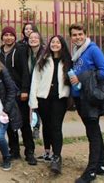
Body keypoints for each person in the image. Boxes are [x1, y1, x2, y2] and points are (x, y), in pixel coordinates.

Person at [69, 23, 104, 183]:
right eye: (74, 35)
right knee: (94, 132)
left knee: (92, 134)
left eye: (80, 34)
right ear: (71, 37)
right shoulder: (76, 52)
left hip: (90, 100)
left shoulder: (92, 49)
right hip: (80, 98)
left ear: (85, 34)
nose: (77, 37)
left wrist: (83, 78)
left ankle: (91, 172)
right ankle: (101, 165)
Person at [29, 35, 71, 175]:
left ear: (62, 44)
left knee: (56, 126)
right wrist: (33, 100)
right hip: (43, 98)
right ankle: (47, 152)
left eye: (58, 42)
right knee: (46, 125)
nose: (55, 44)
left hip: (60, 99)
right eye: (52, 42)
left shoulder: (67, 61)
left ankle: (57, 157)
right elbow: (35, 79)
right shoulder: (43, 59)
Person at [0, 26, 36, 165]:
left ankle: (29, 151)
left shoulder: (19, 50)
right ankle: (14, 150)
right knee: (8, 123)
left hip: (20, 92)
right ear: (2, 37)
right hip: (6, 94)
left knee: (24, 123)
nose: (8, 37)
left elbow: (25, 71)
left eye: (11, 35)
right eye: (5, 35)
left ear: (15, 37)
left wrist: (25, 89)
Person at [26, 31, 44, 143]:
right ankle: (32, 128)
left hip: (41, 84)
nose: (33, 39)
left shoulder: (44, 53)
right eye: (31, 38)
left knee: (38, 108)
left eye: (36, 38)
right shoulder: (27, 52)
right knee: (31, 106)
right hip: (29, 83)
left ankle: (36, 127)